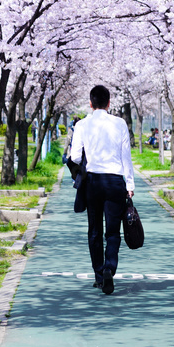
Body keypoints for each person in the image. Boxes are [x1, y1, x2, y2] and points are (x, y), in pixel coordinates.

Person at [69, 85, 136, 296]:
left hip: (93, 183)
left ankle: (99, 275)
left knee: (95, 231)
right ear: (109, 103)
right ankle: (110, 267)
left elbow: (76, 158)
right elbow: (126, 156)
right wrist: (130, 184)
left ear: (90, 103)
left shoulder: (82, 125)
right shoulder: (120, 123)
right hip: (115, 181)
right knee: (113, 232)